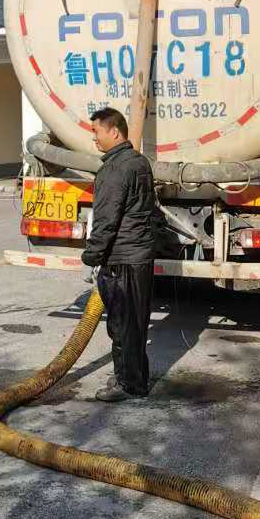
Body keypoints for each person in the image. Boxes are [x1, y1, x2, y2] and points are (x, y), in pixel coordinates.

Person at [81, 107, 156, 402]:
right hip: (138, 256)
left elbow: (106, 219)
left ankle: (129, 385)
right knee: (134, 324)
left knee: (123, 326)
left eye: (97, 132)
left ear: (114, 131)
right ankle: (132, 377)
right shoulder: (138, 162)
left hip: (122, 259)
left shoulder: (115, 169)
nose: (94, 139)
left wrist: (91, 258)